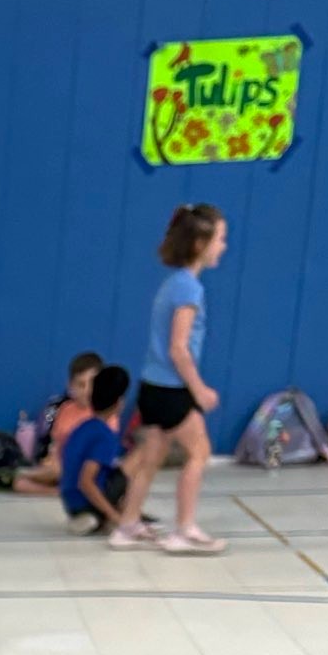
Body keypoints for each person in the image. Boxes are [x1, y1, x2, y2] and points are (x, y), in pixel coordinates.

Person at [122, 202, 229, 555]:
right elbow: (178, 348)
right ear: (200, 244)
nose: (223, 247)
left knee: (151, 458)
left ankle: (127, 525)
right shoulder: (188, 290)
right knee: (199, 452)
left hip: (151, 387)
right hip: (172, 390)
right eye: (220, 239)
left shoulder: (172, 284)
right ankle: (184, 530)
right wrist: (200, 390)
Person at [59, 365, 141, 537]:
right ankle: (103, 516)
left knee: (115, 470)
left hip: (70, 503)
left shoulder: (82, 427)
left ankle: (96, 516)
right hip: (85, 502)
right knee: (134, 461)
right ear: (119, 403)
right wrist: (116, 518)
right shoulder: (106, 436)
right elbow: (86, 482)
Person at [14, 351, 102, 496]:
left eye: (92, 384)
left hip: (87, 471)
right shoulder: (64, 410)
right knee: (20, 483)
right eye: (81, 385)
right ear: (71, 385)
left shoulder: (104, 413)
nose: (87, 391)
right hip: (61, 470)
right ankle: (58, 491)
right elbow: (55, 444)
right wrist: (51, 459)